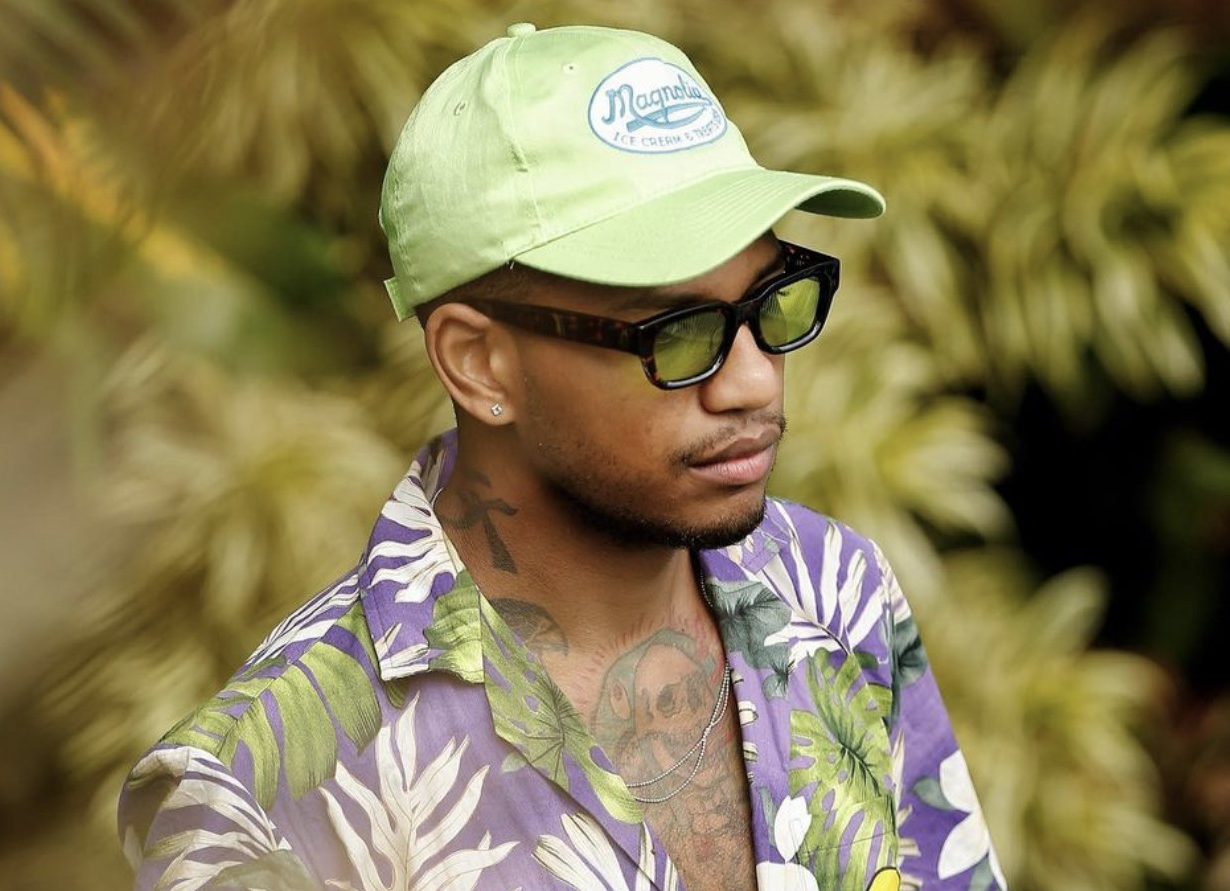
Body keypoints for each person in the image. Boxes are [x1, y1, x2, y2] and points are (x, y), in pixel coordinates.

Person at [118, 22, 1006, 891]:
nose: (752, 383)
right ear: (478, 362)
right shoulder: (257, 793)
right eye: (678, 332)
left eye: (775, 301)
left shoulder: (835, 587)